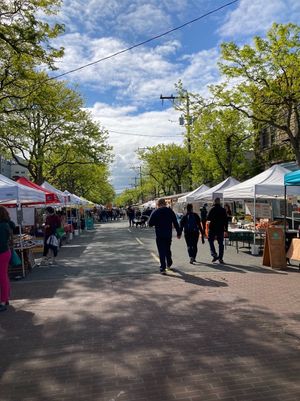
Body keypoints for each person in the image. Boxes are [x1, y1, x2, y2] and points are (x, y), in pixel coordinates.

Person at [148, 198, 181, 274]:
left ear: (158, 204)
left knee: (161, 251)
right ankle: (169, 263)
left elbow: (150, 223)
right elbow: (175, 222)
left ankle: (163, 268)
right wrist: (179, 232)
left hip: (159, 234)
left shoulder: (155, 211)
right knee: (167, 249)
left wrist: (156, 222)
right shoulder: (170, 211)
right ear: (165, 203)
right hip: (168, 234)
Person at [0, 206, 15, 311]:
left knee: (2, 277)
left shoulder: (2, 225)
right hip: (5, 252)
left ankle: (3, 300)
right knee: (4, 276)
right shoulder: (6, 224)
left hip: (1, 252)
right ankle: (5, 298)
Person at [207, 198, 228, 264]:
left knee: (210, 241)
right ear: (219, 202)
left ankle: (214, 254)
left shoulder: (212, 209)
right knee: (221, 244)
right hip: (220, 229)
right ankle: (220, 258)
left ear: (214, 202)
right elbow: (226, 221)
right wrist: (226, 229)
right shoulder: (223, 210)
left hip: (212, 228)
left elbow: (208, 218)